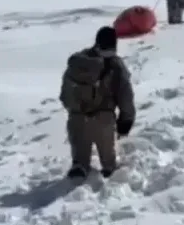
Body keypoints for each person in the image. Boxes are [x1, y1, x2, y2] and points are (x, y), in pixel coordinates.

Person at [58, 26, 136, 180]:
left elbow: (64, 96)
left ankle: (79, 170)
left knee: (79, 163)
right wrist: (125, 121)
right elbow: (125, 96)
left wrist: (77, 110)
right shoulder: (115, 65)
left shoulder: (78, 63)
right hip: (104, 119)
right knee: (109, 165)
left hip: (77, 119)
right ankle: (108, 171)